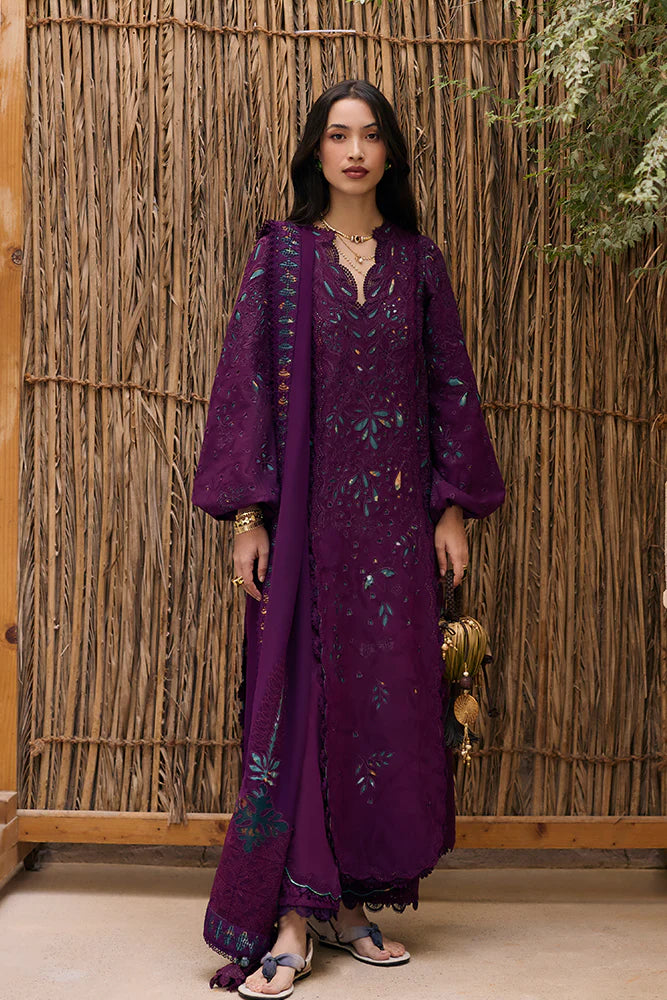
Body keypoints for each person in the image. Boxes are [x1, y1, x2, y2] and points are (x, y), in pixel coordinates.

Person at [192, 79, 505, 997]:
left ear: (390, 152)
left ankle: (352, 904)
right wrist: (247, 518)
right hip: (304, 535)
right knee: (300, 707)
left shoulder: (419, 263)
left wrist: (452, 507)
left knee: (384, 714)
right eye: (338, 135)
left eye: (370, 135)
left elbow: (450, 386)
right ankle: (293, 915)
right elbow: (244, 385)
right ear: (316, 151)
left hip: (394, 538)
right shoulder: (282, 258)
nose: (355, 151)